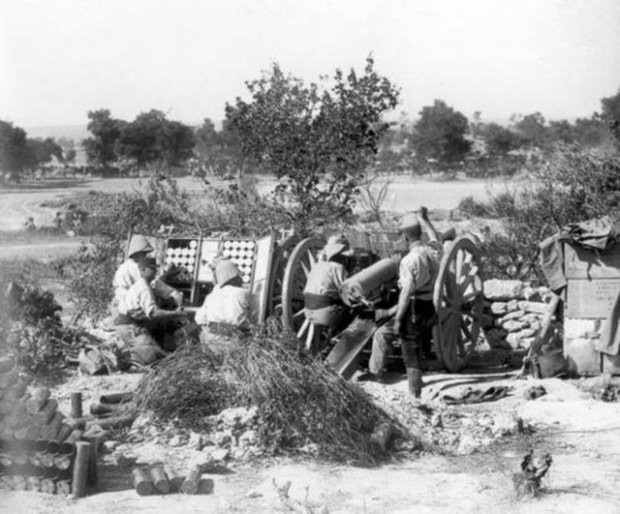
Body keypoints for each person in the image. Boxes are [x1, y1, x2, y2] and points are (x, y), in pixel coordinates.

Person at [368, 207, 441, 397]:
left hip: (413, 308)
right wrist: (424, 219)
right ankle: (416, 384)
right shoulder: (433, 252)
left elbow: (406, 292)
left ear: (406, 238)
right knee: (416, 345)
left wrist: (397, 318)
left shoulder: (409, 261)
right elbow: (435, 237)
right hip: (429, 306)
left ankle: (406, 390)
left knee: (390, 339)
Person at [115, 257, 189, 365]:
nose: (155, 271)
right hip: (130, 326)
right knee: (156, 358)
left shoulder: (144, 284)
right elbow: (154, 313)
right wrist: (176, 313)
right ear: (143, 270)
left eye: (156, 268)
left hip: (131, 324)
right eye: (152, 269)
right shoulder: (144, 287)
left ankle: (136, 353)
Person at [112, 234, 183, 309]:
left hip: (124, 304)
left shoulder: (123, 268)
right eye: (144, 254)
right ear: (138, 253)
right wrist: (173, 294)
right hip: (132, 306)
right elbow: (151, 284)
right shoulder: (135, 268)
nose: (145, 256)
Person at [303, 235, 354, 332]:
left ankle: (329, 335)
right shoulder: (338, 268)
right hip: (324, 315)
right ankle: (342, 336)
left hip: (307, 312)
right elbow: (346, 293)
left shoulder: (317, 266)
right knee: (351, 312)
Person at [195, 258, 252, 330]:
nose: (241, 280)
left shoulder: (212, 295)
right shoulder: (242, 293)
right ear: (233, 277)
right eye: (238, 276)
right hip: (234, 336)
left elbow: (199, 318)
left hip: (210, 335)